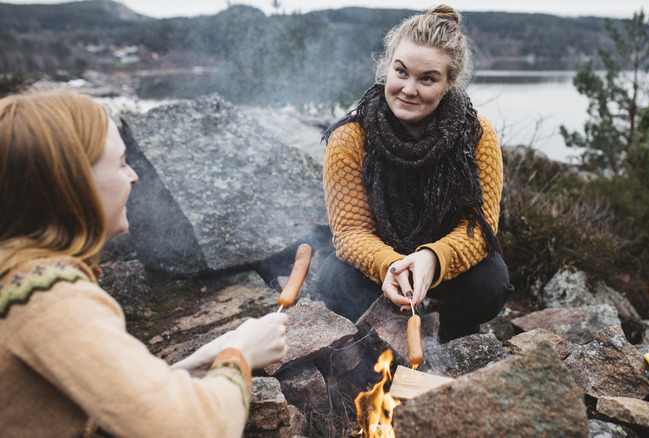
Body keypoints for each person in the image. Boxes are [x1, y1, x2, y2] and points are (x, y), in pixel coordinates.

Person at [0, 90, 288, 437]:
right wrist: (241, 351)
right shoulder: (51, 298)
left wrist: (193, 366)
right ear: (73, 182)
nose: (134, 175)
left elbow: (111, 412)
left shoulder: (17, 282)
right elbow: (193, 429)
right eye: (121, 162)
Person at [318, 4, 514, 342]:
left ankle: (456, 338)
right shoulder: (350, 137)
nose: (409, 89)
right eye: (401, 71)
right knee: (334, 279)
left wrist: (432, 259)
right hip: (382, 265)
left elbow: (480, 228)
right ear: (388, 67)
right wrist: (390, 265)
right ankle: (380, 340)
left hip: (445, 264)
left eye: (427, 78)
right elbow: (350, 232)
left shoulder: (477, 135)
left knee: (489, 282)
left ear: (449, 83)